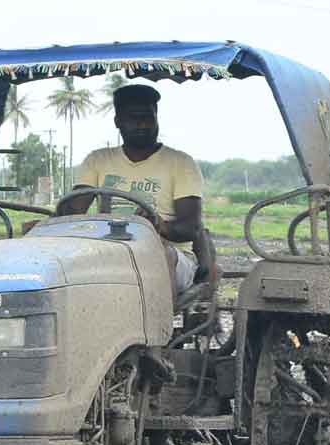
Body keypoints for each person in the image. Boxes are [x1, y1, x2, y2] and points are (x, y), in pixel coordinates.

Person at [61, 83, 215, 294]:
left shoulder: (181, 163)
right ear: (118, 121)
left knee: (160, 256)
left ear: (157, 118)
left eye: (148, 117)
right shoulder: (98, 160)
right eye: (133, 118)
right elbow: (73, 211)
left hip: (171, 256)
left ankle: (159, 316)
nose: (142, 124)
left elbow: (191, 228)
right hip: (111, 252)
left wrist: (158, 225)